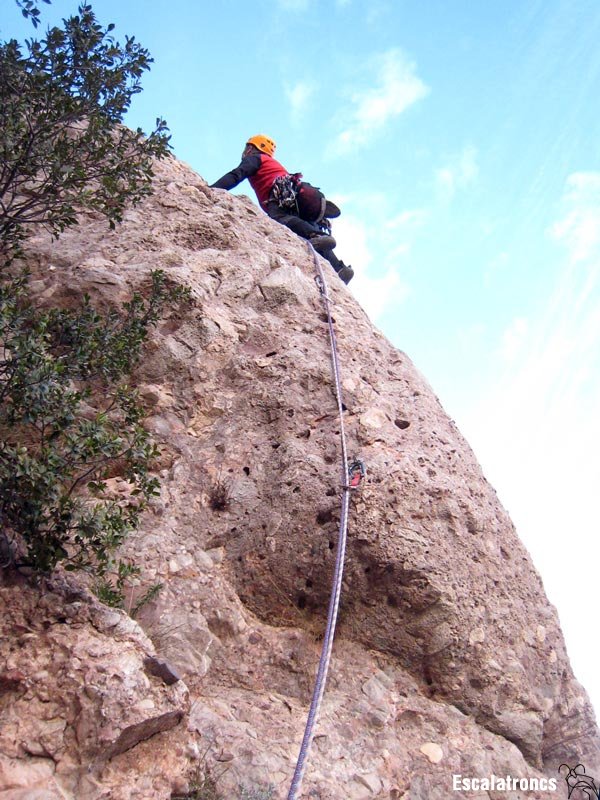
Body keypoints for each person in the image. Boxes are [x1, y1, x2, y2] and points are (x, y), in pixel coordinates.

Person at [211, 135, 354, 284]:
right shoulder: (272, 164)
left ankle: (316, 234)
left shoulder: (256, 158)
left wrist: (213, 189)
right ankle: (339, 268)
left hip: (279, 194)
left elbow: (236, 175)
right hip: (295, 197)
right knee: (306, 226)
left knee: (281, 218)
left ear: (252, 148)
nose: (245, 151)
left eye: (247, 147)